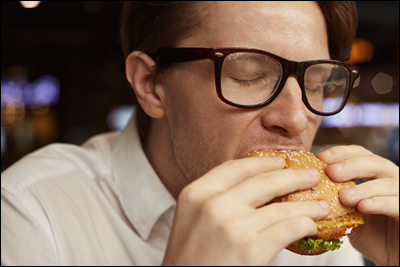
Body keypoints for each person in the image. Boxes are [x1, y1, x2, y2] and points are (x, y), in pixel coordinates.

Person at [1, 1, 398, 265]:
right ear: (150, 85)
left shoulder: (324, 235)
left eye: (315, 83)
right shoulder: (29, 215)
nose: (295, 119)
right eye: (250, 75)